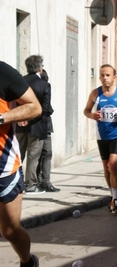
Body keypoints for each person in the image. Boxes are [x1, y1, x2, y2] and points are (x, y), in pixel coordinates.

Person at [0, 61, 42, 267]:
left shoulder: (2, 71)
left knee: (9, 230)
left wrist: (2, 118)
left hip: (4, 166)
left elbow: (34, 107)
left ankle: (27, 262)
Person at [83, 64, 117, 214]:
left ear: (114, 77)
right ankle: (113, 196)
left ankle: (116, 199)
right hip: (102, 135)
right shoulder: (95, 94)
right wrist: (92, 115)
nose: (105, 78)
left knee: (113, 164)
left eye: (108, 75)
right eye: (102, 75)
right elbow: (86, 110)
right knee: (107, 167)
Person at [16, 55, 51, 194]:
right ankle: (30, 185)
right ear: (40, 68)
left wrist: (21, 118)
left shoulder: (20, 81)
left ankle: (15, 184)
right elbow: (45, 109)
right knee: (33, 157)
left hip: (19, 125)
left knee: (18, 155)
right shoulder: (44, 84)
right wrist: (29, 120)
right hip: (37, 126)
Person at [36, 69, 60, 192]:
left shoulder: (44, 87)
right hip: (38, 125)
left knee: (46, 153)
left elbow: (48, 108)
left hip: (45, 125)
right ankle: (39, 181)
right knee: (39, 154)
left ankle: (44, 180)